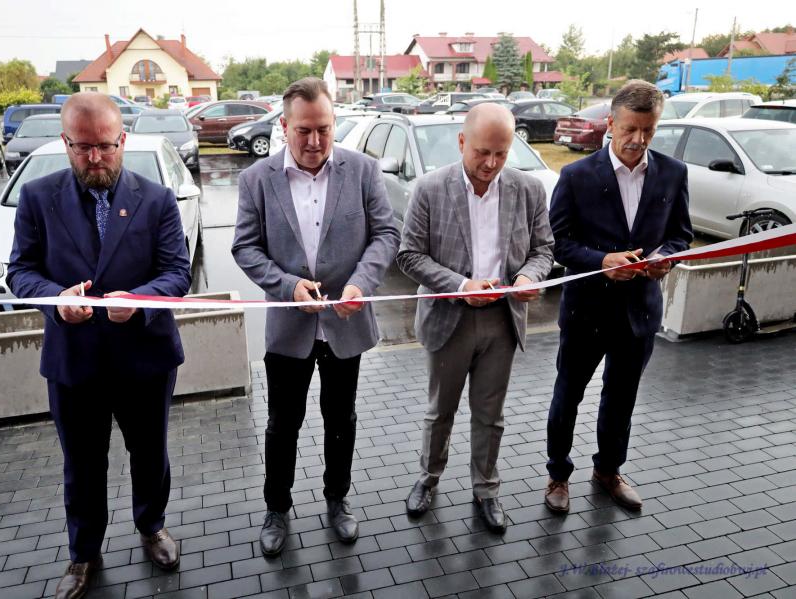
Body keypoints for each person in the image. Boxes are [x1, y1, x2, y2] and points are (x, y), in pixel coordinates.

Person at [7, 92, 191, 599]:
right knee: (82, 465)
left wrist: (141, 300)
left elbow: (177, 273)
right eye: (82, 147)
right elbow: (20, 272)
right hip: (75, 361)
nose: (95, 158)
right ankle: (84, 553)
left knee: (149, 453)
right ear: (65, 142)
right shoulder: (38, 197)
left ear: (122, 140)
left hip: (145, 358)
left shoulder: (157, 198)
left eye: (106, 146)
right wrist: (55, 300)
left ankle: (152, 527)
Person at [232, 77, 399, 556]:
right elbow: (245, 246)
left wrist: (361, 283)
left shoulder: (363, 170)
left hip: (345, 321)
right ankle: (277, 507)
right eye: (303, 130)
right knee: (282, 423)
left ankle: (337, 499)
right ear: (284, 127)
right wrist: (287, 285)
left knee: (341, 418)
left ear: (333, 123)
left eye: (323, 129)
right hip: (290, 328)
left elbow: (386, 234)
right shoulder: (256, 179)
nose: (314, 141)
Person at [397, 103, 554, 532]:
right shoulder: (429, 188)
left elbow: (543, 249)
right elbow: (409, 256)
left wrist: (528, 276)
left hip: (502, 321)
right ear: (462, 141)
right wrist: (462, 285)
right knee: (440, 411)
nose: (491, 164)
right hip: (449, 318)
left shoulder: (528, 189)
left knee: (490, 414)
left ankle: (486, 489)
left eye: (501, 154)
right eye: (482, 152)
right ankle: (428, 477)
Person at [543, 80, 693, 514]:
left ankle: (608, 471)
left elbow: (681, 235)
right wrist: (602, 261)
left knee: (621, 398)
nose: (638, 140)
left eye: (648, 130)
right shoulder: (575, 176)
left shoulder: (673, 173)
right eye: (630, 129)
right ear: (610, 123)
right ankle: (558, 475)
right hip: (585, 310)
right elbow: (557, 243)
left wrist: (666, 258)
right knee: (567, 396)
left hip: (638, 313)